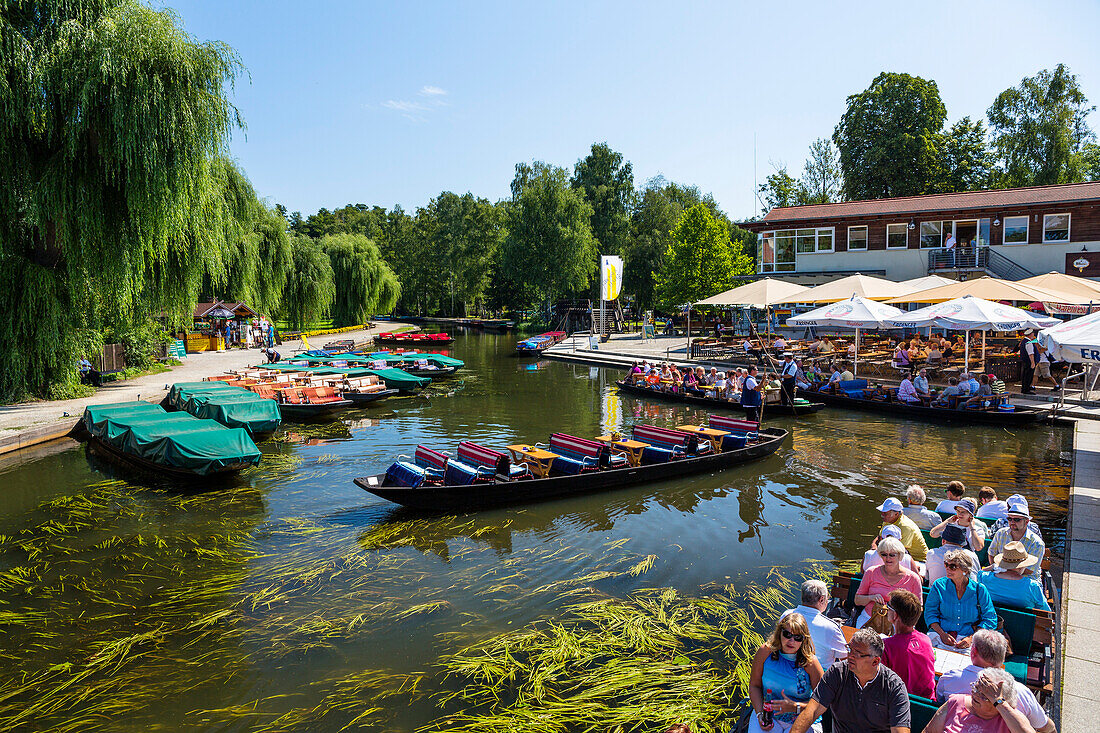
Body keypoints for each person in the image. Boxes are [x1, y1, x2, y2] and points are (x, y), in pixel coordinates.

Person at [788, 628, 910, 733]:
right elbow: (812, 711)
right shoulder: (837, 672)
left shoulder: (894, 686)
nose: (850, 655)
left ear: (875, 661)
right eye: (850, 649)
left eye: (857, 653)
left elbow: (900, 730)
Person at [935, 630, 1056, 733]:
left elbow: (939, 702)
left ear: (973, 652)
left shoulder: (949, 679)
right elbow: (1045, 726)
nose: (975, 693)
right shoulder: (1021, 691)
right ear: (1003, 657)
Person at [748, 613, 824, 733]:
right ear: (780, 633)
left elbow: (822, 702)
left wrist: (796, 707)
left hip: (801, 717)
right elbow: (754, 685)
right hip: (769, 715)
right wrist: (759, 714)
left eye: (797, 637)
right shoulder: (765, 652)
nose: (791, 641)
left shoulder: (810, 663)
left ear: (804, 639)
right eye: (787, 634)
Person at [924, 667, 1037, 733]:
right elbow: (928, 732)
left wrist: (999, 702)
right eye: (976, 687)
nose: (975, 694)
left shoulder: (1009, 720)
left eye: (984, 695)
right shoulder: (957, 702)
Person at [925, 549, 996, 650]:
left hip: (970, 638)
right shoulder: (938, 586)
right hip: (941, 636)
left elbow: (990, 619)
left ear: (965, 570)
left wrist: (971, 638)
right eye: (946, 565)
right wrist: (942, 634)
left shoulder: (979, 590)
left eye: (952, 566)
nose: (948, 569)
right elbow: (930, 613)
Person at [854, 536, 922, 627]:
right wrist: (871, 597)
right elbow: (857, 600)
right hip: (871, 618)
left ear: (900, 555)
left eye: (892, 555)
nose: (887, 558)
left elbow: (918, 608)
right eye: (884, 554)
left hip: (899, 623)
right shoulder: (871, 572)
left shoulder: (913, 578)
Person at [881, 589, 935, 700]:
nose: (886, 609)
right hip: (925, 703)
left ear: (895, 615)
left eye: (888, 607)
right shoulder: (926, 640)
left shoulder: (886, 646)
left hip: (900, 704)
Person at [781, 580, 848, 670]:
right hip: (819, 675)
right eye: (827, 598)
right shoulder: (831, 627)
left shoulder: (786, 615)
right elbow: (845, 656)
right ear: (822, 599)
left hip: (787, 667)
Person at [978, 541, 1049, 611]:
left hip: (994, 620)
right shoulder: (1032, 586)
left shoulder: (984, 578)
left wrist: (993, 566)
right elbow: (1046, 611)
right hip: (1023, 622)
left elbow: (980, 572)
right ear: (1021, 566)